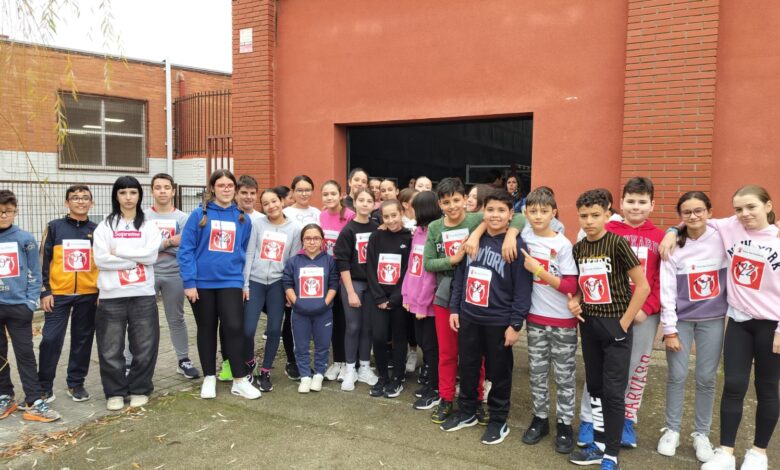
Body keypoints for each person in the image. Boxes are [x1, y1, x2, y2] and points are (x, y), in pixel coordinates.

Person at [660, 185, 780, 470]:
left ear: (768, 205)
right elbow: (693, 219)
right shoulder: (731, 227)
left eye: (751, 207)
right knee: (734, 384)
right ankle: (725, 451)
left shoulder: (773, 238)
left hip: (770, 326)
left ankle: (757, 453)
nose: (744, 214)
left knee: (766, 388)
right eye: (739, 209)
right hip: (739, 322)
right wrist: (671, 231)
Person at [423, 178, 525, 425]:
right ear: (440, 204)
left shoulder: (476, 219)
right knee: (449, 353)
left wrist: (510, 234)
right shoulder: (435, 227)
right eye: (446, 202)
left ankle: (476, 401)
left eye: (457, 200)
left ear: (466, 201)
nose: (452, 206)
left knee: (474, 356)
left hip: (478, 301)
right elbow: (428, 263)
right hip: (449, 296)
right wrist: (454, 259)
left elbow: (518, 217)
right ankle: (447, 398)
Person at [578, 177, 665, 449]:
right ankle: (589, 420)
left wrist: (645, 308)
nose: (636, 207)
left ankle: (626, 419)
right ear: (620, 204)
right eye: (630, 201)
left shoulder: (661, 238)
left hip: (642, 315)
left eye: (642, 202)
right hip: (604, 313)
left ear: (652, 205)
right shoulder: (605, 229)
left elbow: (662, 279)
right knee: (597, 369)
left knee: (634, 368)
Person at [567, 189, 649, 469]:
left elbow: (643, 286)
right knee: (596, 389)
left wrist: (624, 323)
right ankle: (598, 444)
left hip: (616, 326)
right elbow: (580, 287)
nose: (589, 221)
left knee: (614, 393)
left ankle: (611, 453)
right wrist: (576, 301)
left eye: (595, 215)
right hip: (590, 326)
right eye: (583, 216)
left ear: (607, 214)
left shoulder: (617, 244)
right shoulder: (578, 249)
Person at [443, 190, 532, 445]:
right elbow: (460, 277)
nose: (495, 215)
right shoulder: (473, 240)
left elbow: (523, 290)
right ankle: (468, 411)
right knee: (468, 367)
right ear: (483, 212)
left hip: (498, 321)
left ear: (510, 215)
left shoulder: (515, 245)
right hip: (470, 316)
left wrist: (516, 324)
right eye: (490, 210)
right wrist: (454, 308)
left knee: (499, 372)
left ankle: (498, 420)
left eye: (501, 211)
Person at [178, 169, 260, 400]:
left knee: (234, 327)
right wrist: (189, 282)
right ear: (212, 188)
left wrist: (244, 284)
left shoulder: (243, 218)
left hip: (230, 281)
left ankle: (239, 379)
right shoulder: (198, 215)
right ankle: (209, 378)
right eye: (221, 185)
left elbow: (243, 251)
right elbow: (186, 250)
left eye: (230, 185)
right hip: (202, 283)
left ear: (234, 189)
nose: (226, 189)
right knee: (206, 328)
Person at [656, 192, 725, 463]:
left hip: (713, 319)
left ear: (709, 211)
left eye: (699, 210)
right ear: (680, 215)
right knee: (677, 375)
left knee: (707, 378)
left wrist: (673, 229)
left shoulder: (721, 235)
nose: (694, 216)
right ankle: (672, 429)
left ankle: (701, 434)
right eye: (687, 212)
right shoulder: (673, 246)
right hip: (681, 321)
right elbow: (668, 289)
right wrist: (669, 329)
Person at [93, 176, 162, 411]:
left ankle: (140, 388)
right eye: (123, 193)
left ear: (139, 195)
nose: (128, 197)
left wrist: (120, 251)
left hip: (142, 293)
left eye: (133, 192)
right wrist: (134, 260)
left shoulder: (149, 225)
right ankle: (115, 391)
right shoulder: (105, 225)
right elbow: (101, 259)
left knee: (144, 345)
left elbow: (152, 256)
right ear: (116, 196)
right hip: (112, 294)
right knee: (110, 347)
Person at [518, 188, 579, 453]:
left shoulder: (563, 244)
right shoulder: (524, 236)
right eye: (533, 211)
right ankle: (540, 418)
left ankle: (565, 424)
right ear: (526, 213)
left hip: (563, 319)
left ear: (554, 213)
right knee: (538, 373)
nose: (538, 216)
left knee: (565, 376)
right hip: (535, 318)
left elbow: (569, 284)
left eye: (544, 211)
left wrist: (539, 270)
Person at [0, 190, 60, 422]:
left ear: (16, 211)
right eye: (0, 211)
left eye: (8, 211)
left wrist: (28, 302)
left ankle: (34, 400)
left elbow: (35, 273)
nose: (3, 215)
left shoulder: (24, 239)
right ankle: (5, 395)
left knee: (24, 353)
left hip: (18, 307)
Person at [38, 185, 99, 403]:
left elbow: (101, 262)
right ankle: (44, 386)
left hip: (88, 294)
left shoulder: (97, 229)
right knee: (51, 339)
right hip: (58, 294)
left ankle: (76, 383)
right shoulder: (55, 227)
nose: (80, 201)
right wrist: (45, 290)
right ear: (67, 203)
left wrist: (101, 290)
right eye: (75, 198)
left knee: (82, 340)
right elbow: (43, 260)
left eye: (85, 198)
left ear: (91, 203)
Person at [243, 189, 302, 392]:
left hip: (278, 283)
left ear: (281, 202)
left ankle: (266, 371)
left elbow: (293, 260)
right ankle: (250, 362)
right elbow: (250, 252)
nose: (271, 206)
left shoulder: (295, 228)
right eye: (266, 203)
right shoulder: (257, 224)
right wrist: (245, 284)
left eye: (274, 201)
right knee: (248, 329)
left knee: (275, 329)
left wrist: (289, 289)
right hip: (256, 281)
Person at [144, 173, 200, 380]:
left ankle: (183, 360)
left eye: (166, 187)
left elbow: (186, 249)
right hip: (148, 274)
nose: (162, 191)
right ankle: (133, 362)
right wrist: (168, 243)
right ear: (152, 191)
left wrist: (156, 246)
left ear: (173, 191)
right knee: (142, 320)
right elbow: (142, 249)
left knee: (176, 319)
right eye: (158, 187)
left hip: (175, 275)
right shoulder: (144, 217)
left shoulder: (183, 218)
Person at [282, 224, 339, 394]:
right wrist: (296, 303)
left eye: (316, 238)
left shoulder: (329, 260)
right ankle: (305, 376)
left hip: (323, 312)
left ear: (322, 240)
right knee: (301, 346)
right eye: (308, 238)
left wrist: (324, 304)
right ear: (302, 241)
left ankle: (319, 374)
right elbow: (287, 283)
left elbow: (334, 284)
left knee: (322, 345)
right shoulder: (294, 261)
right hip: (300, 312)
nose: (312, 242)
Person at [334, 189, 380, 391]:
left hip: (372, 285)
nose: (365, 203)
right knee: (353, 326)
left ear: (373, 204)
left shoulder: (378, 228)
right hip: (353, 283)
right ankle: (350, 368)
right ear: (354, 203)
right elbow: (342, 263)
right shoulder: (348, 230)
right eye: (361, 200)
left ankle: (365, 366)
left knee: (368, 327)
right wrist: (351, 291)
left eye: (369, 200)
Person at [365, 200, 412, 398]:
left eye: (394, 215)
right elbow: (370, 267)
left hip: (399, 299)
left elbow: (408, 271)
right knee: (379, 336)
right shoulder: (376, 236)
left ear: (401, 213)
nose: (391, 220)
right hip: (378, 298)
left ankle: (397, 378)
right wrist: (379, 297)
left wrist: (394, 298)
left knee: (400, 338)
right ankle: (382, 376)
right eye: (387, 216)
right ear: (381, 218)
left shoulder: (409, 237)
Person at [402, 191, 441, 410]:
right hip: (415, 301)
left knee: (431, 347)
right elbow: (412, 267)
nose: (411, 211)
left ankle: (435, 389)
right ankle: (430, 384)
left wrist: (423, 304)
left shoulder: (434, 233)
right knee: (422, 342)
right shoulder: (418, 232)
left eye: (415, 207)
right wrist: (407, 295)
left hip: (428, 305)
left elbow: (430, 275)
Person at [319, 180, 355, 382]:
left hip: (345, 275)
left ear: (341, 195)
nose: (329, 197)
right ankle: (338, 361)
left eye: (333, 193)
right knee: (332, 321)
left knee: (346, 321)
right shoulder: (321, 215)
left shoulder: (349, 216)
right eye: (325, 194)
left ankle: (349, 363)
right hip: (327, 276)